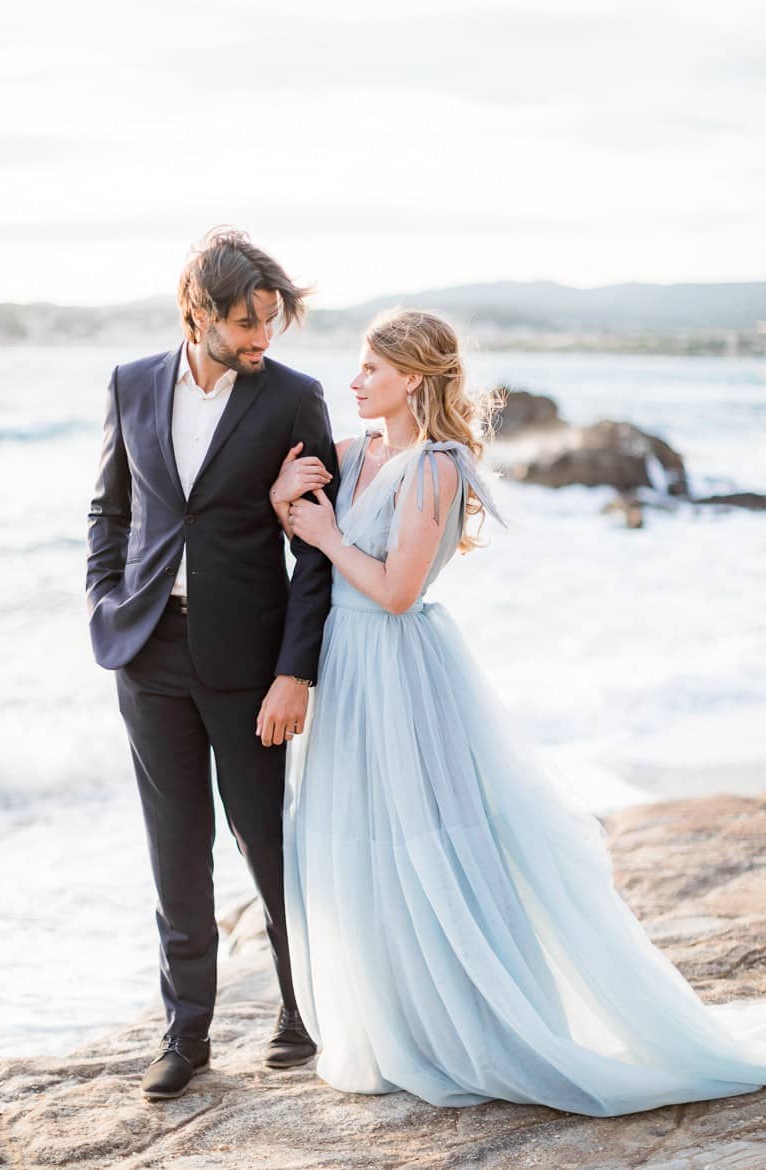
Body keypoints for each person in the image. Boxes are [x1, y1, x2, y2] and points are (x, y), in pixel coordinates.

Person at [273, 309, 766, 1115]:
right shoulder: (354, 452)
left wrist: (325, 534)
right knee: (356, 843)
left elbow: (397, 591)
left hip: (400, 672)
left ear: (414, 376)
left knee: (425, 843)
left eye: (370, 368)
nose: (354, 380)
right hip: (347, 672)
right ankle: (394, 1025)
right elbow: (307, 542)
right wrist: (282, 500)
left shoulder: (437, 465)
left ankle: (473, 1028)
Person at [85, 228, 340, 1100]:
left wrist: (295, 671)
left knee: (267, 843)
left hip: (251, 662)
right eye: (245, 322)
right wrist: (103, 601)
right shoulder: (130, 384)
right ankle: (185, 1035)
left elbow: (316, 551)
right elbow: (109, 511)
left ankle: (302, 1011)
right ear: (196, 313)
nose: (262, 337)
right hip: (148, 649)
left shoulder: (296, 400)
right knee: (175, 850)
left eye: (270, 320)